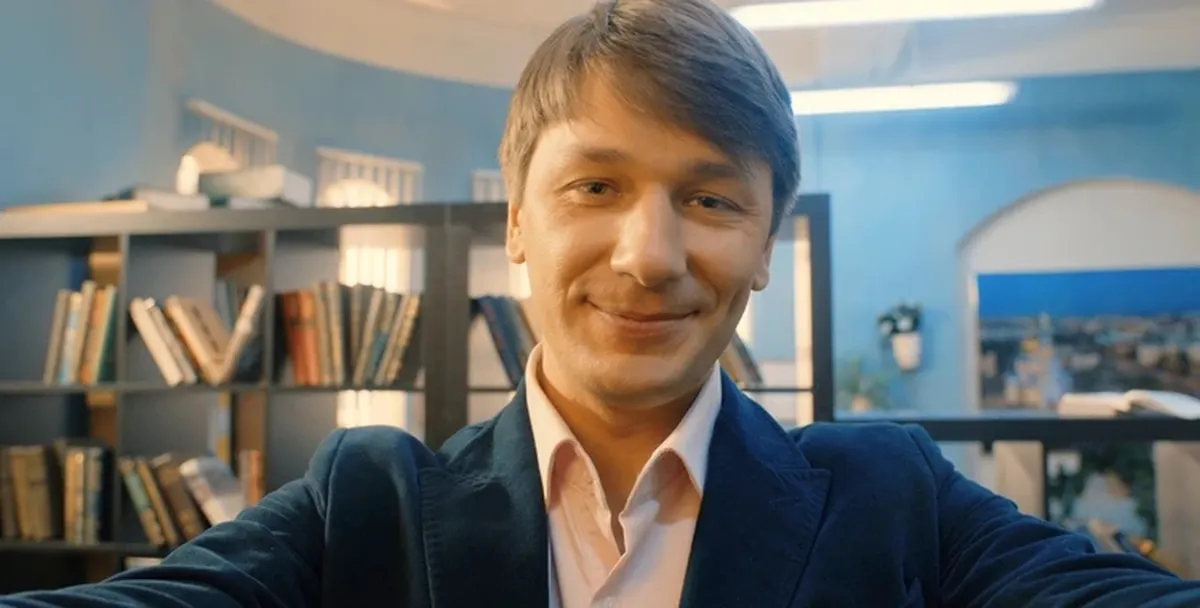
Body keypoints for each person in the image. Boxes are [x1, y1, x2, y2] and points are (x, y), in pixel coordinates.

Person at [5, 0, 1200, 606]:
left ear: (766, 244)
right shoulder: (367, 504)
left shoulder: (895, 497)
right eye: (596, 186)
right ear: (517, 223)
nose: (650, 255)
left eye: (711, 199)